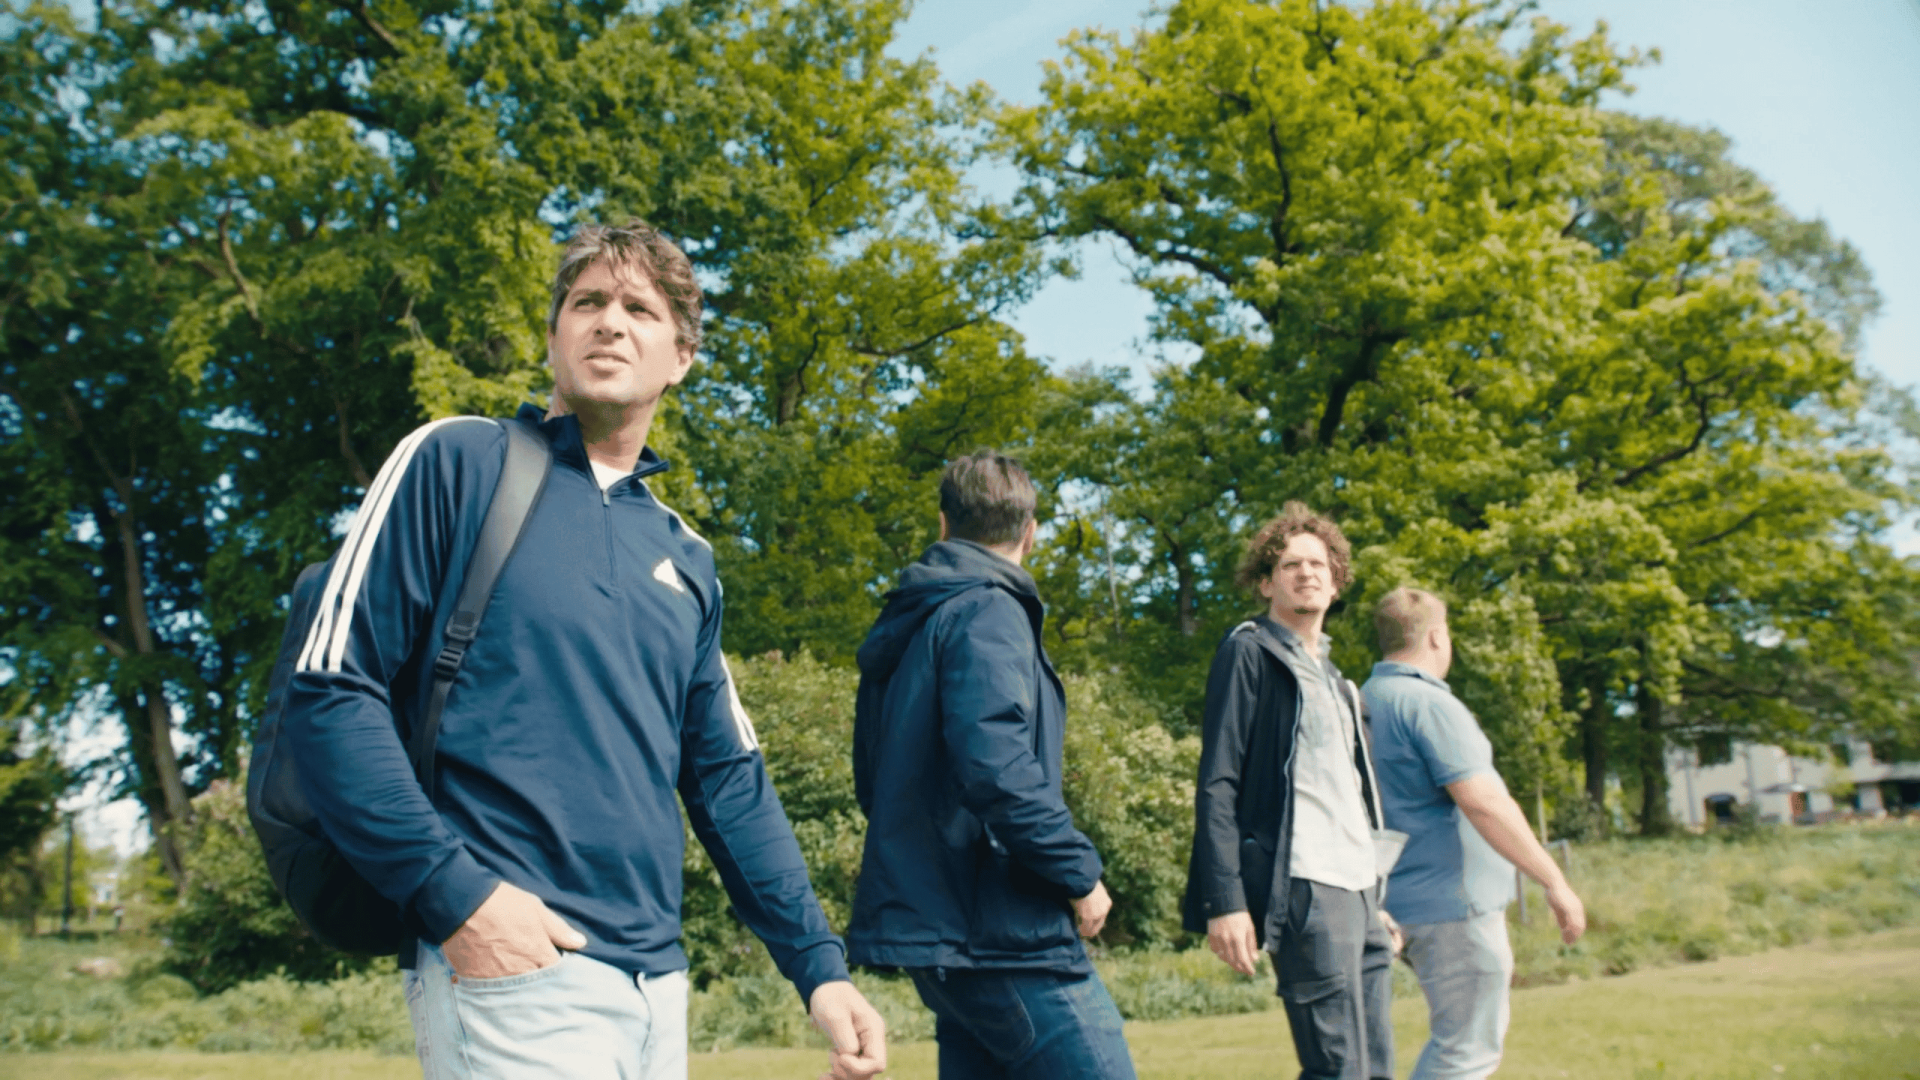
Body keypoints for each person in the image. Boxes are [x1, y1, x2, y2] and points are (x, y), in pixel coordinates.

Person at [283, 220, 886, 1080]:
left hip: (658, 991)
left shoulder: (687, 557)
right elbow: (332, 687)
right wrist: (459, 899)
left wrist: (819, 969)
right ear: (555, 334)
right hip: (512, 967)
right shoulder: (458, 460)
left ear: (680, 356)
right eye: (587, 302)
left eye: (639, 307)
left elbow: (727, 779)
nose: (610, 322)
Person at [847, 450, 1137, 1080]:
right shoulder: (990, 610)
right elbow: (997, 766)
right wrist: (1079, 874)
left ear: (944, 524)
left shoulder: (916, 616)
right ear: (1030, 533)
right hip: (1004, 935)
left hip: (951, 934)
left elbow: (873, 778)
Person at [1184, 502, 1396, 1080]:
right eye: (1290, 564)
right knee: (1338, 1068)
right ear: (1264, 581)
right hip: (1306, 887)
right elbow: (1219, 780)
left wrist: (1380, 896)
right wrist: (1224, 900)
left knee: (1375, 1068)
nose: (1307, 573)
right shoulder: (1250, 652)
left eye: (1318, 563)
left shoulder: (1336, 679)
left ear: (1337, 578)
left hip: (1361, 892)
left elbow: (1353, 796)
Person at [1364, 587, 1586, 1080]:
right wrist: (1555, 882)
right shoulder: (1427, 703)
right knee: (1465, 1051)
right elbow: (1484, 802)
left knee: (1455, 1042)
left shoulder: (1363, 700)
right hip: (1453, 906)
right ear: (1438, 635)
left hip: (1395, 902)